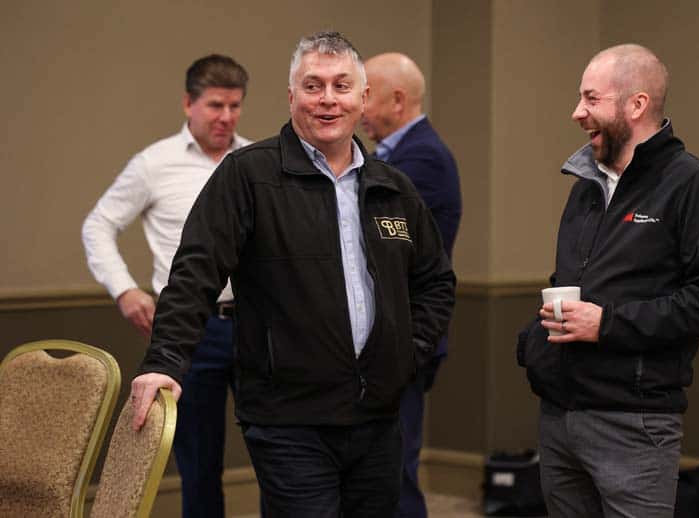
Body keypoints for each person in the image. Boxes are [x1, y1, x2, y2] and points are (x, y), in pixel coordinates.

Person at [128, 31, 456, 518]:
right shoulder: (248, 176)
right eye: (313, 85)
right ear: (291, 96)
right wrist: (164, 361)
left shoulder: (393, 188)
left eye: (341, 86)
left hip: (377, 417)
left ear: (362, 97)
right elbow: (195, 273)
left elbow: (435, 282)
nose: (327, 99)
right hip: (288, 420)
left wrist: (405, 354)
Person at [516, 44, 699, 517]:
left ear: (637, 104)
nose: (577, 112)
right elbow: (569, 279)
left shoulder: (693, 185)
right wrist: (532, 345)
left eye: (591, 98)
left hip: (633, 422)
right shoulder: (586, 187)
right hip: (559, 415)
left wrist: (608, 324)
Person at [81, 54, 260, 518]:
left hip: (258, 323)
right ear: (188, 104)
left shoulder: (256, 162)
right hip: (191, 328)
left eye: (235, 106)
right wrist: (125, 290)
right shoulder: (154, 163)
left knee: (278, 450)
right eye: (215, 105)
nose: (226, 117)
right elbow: (98, 225)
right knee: (199, 461)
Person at [361, 52, 462, 518]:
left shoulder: (422, 158)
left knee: (395, 474)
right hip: (388, 338)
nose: (357, 107)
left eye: (366, 95)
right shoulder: (393, 155)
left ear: (397, 100)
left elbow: (378, 245)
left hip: (406, 338)